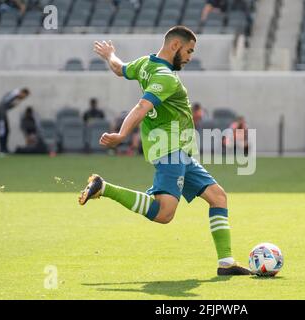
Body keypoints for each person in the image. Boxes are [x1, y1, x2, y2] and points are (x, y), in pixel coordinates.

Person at [79, 26, 251, 276]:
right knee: (164, 214)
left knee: (218, 198)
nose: (191, 57)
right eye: (189, 50)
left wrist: (109, 55)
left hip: (179, 151)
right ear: (175, 46)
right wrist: (122, 135)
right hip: (170, 149)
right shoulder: (165, 77)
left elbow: (119, 68)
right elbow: (141, 107)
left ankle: (226, 262)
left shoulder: (145, 64)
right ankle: (104, 188)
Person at [0, 87, 30, 153]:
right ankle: (2, 149)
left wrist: (14, 105)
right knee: (3, 131)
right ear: (22, 92)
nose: (24, 98)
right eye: (24, 96)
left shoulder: (15, 96)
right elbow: (3, 103)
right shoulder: (14, 94)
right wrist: (2, 117)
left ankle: (4, 148)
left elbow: (7, 106)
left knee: (7, 131)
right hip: (0, 114)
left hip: (3, 114)